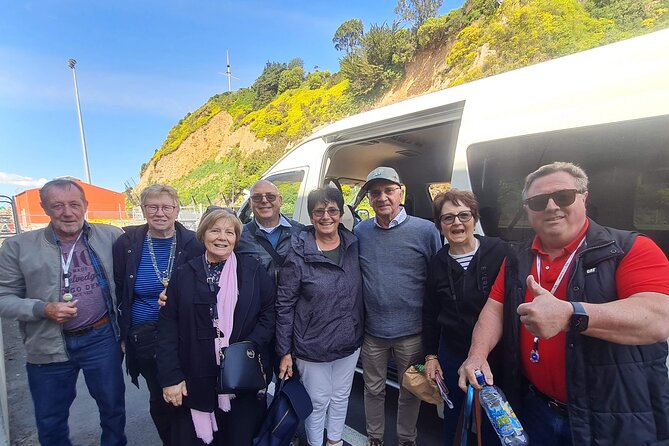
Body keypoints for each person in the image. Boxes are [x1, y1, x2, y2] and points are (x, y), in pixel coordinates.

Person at [458, 162, 669, 445]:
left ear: (584, 197)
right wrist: (477, 354)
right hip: (537, 407)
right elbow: (494, 308)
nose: (551, 206)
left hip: (612, 416)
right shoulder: (517, 258)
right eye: (538, 201)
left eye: (564, 196)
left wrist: (572, 314)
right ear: (527, 209)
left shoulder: (629, 248)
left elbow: (659, 318)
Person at [0, 178, 126, 446]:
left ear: (85, 205)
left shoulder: (111, 236)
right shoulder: (18, 247)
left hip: (101, 338)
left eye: (74, 204)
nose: (67, 212)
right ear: (44, 207)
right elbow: (3, 298)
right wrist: (41, 308)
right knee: (50, 420)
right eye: (57, 205)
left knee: (113, 410)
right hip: (47, 345)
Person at [157, 208, 276, 445]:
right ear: (203, 235)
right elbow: (168, 327)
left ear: (236, 238)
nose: (222, 237)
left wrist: (248, 348)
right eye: (215, 230)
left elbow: (270, 313)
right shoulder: (184, 274)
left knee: (239, 437)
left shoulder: (252, 271)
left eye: (229, 232)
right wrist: (170, 377)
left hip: (240, 377)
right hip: (194, 377)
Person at [354, 167, 442, 446]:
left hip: (412, 332)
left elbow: (436, 279)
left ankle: (406, 439)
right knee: (373, 389)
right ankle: (375, 438)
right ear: (369, 198)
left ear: (400, 192)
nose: (382, 197)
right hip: (373, 332)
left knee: (411, 390)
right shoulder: (361, 232)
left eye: (388, 190)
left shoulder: (425, 230)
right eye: (375, 192)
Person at [113, 184, 203, 445]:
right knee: (161, 394)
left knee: (190, 389)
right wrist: (123, 333)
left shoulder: (193, 243)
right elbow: (121, 292)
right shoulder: (127, 245)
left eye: (167, 207)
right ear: (143, 210)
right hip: (146, 334)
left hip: (185, 332)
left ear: (177, 209)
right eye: (153, 207)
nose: (160, 213)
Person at [276, 187, 364, 446]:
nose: (326, 216)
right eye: (319, 211)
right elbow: (285, 304)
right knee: (317, 402)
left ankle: (334, 442)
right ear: (311, 215)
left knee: (340, 397)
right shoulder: (298, 253)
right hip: (312, 345)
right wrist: (284, 351)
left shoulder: (353, 245)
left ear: (341, 213)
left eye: (332, 210)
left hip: (349, 341)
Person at [423, 190, 507, 446]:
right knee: (455, 417)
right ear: (440, 226)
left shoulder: (500, 250)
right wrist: (431, 356)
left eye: (463, 215)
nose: (457, 223)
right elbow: (430, 312)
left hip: (496, 354)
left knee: (498, 418)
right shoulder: (437, 263)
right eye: (448, 218)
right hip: (453, 353)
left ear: (474, 218)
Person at [236, 179, 305, 284]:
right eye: (257, 197)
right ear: (250, 203)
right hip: (258, 300)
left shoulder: (300, 233)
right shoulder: (239, 236)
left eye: (270, 196)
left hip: (292, 299)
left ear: (280, 200)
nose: (264, 201)